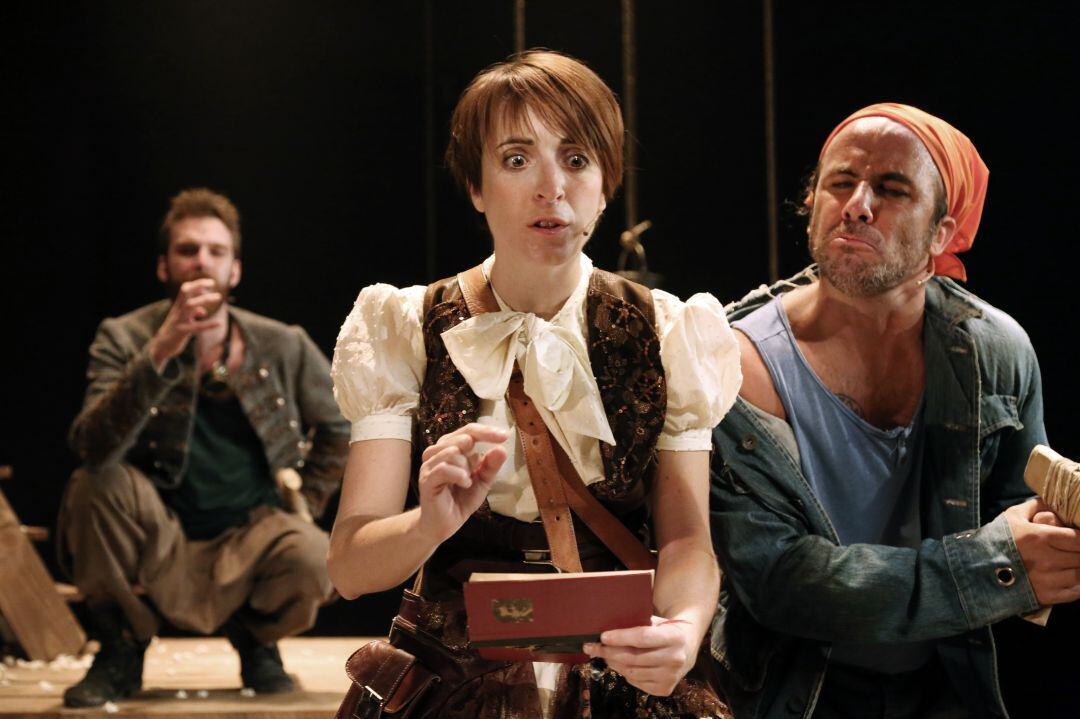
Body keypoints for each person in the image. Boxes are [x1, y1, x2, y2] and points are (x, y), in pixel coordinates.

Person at [328, 50, 741, 718]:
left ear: (606, 184)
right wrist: (428, 523)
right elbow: (350, 567)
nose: (552, 187)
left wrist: (686, 628)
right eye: (517, 159)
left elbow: (687, 540)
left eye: (576, 159)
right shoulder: (405, 325)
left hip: (616, 664)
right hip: (454, 673)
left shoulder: (667, 330)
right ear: (476, 185)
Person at [709, 103, 1080, 719]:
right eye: (840, 182)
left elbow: (1027, 525)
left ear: (941, 233)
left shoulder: (995, 350)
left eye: (892, 189)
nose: (858, 205)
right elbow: (778, 582)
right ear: (812, 202)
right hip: (790, 692)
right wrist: (993, 567)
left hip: (948, 688)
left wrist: (1054, 545)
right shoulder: (735, 361)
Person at [60, 188, 349, 707]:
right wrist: (160, 350)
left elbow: (339, 426)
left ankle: (256, 641)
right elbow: (92, 446)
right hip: (157, 530)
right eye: (187, 250)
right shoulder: (124, 336)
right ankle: (120, 649)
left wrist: (303, 501)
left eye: (216, 251)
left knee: (313, 555)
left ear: (235, 270)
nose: (201, 261)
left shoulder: (282, 342)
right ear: (164, 266)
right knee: (93, 485)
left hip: (249, 533)